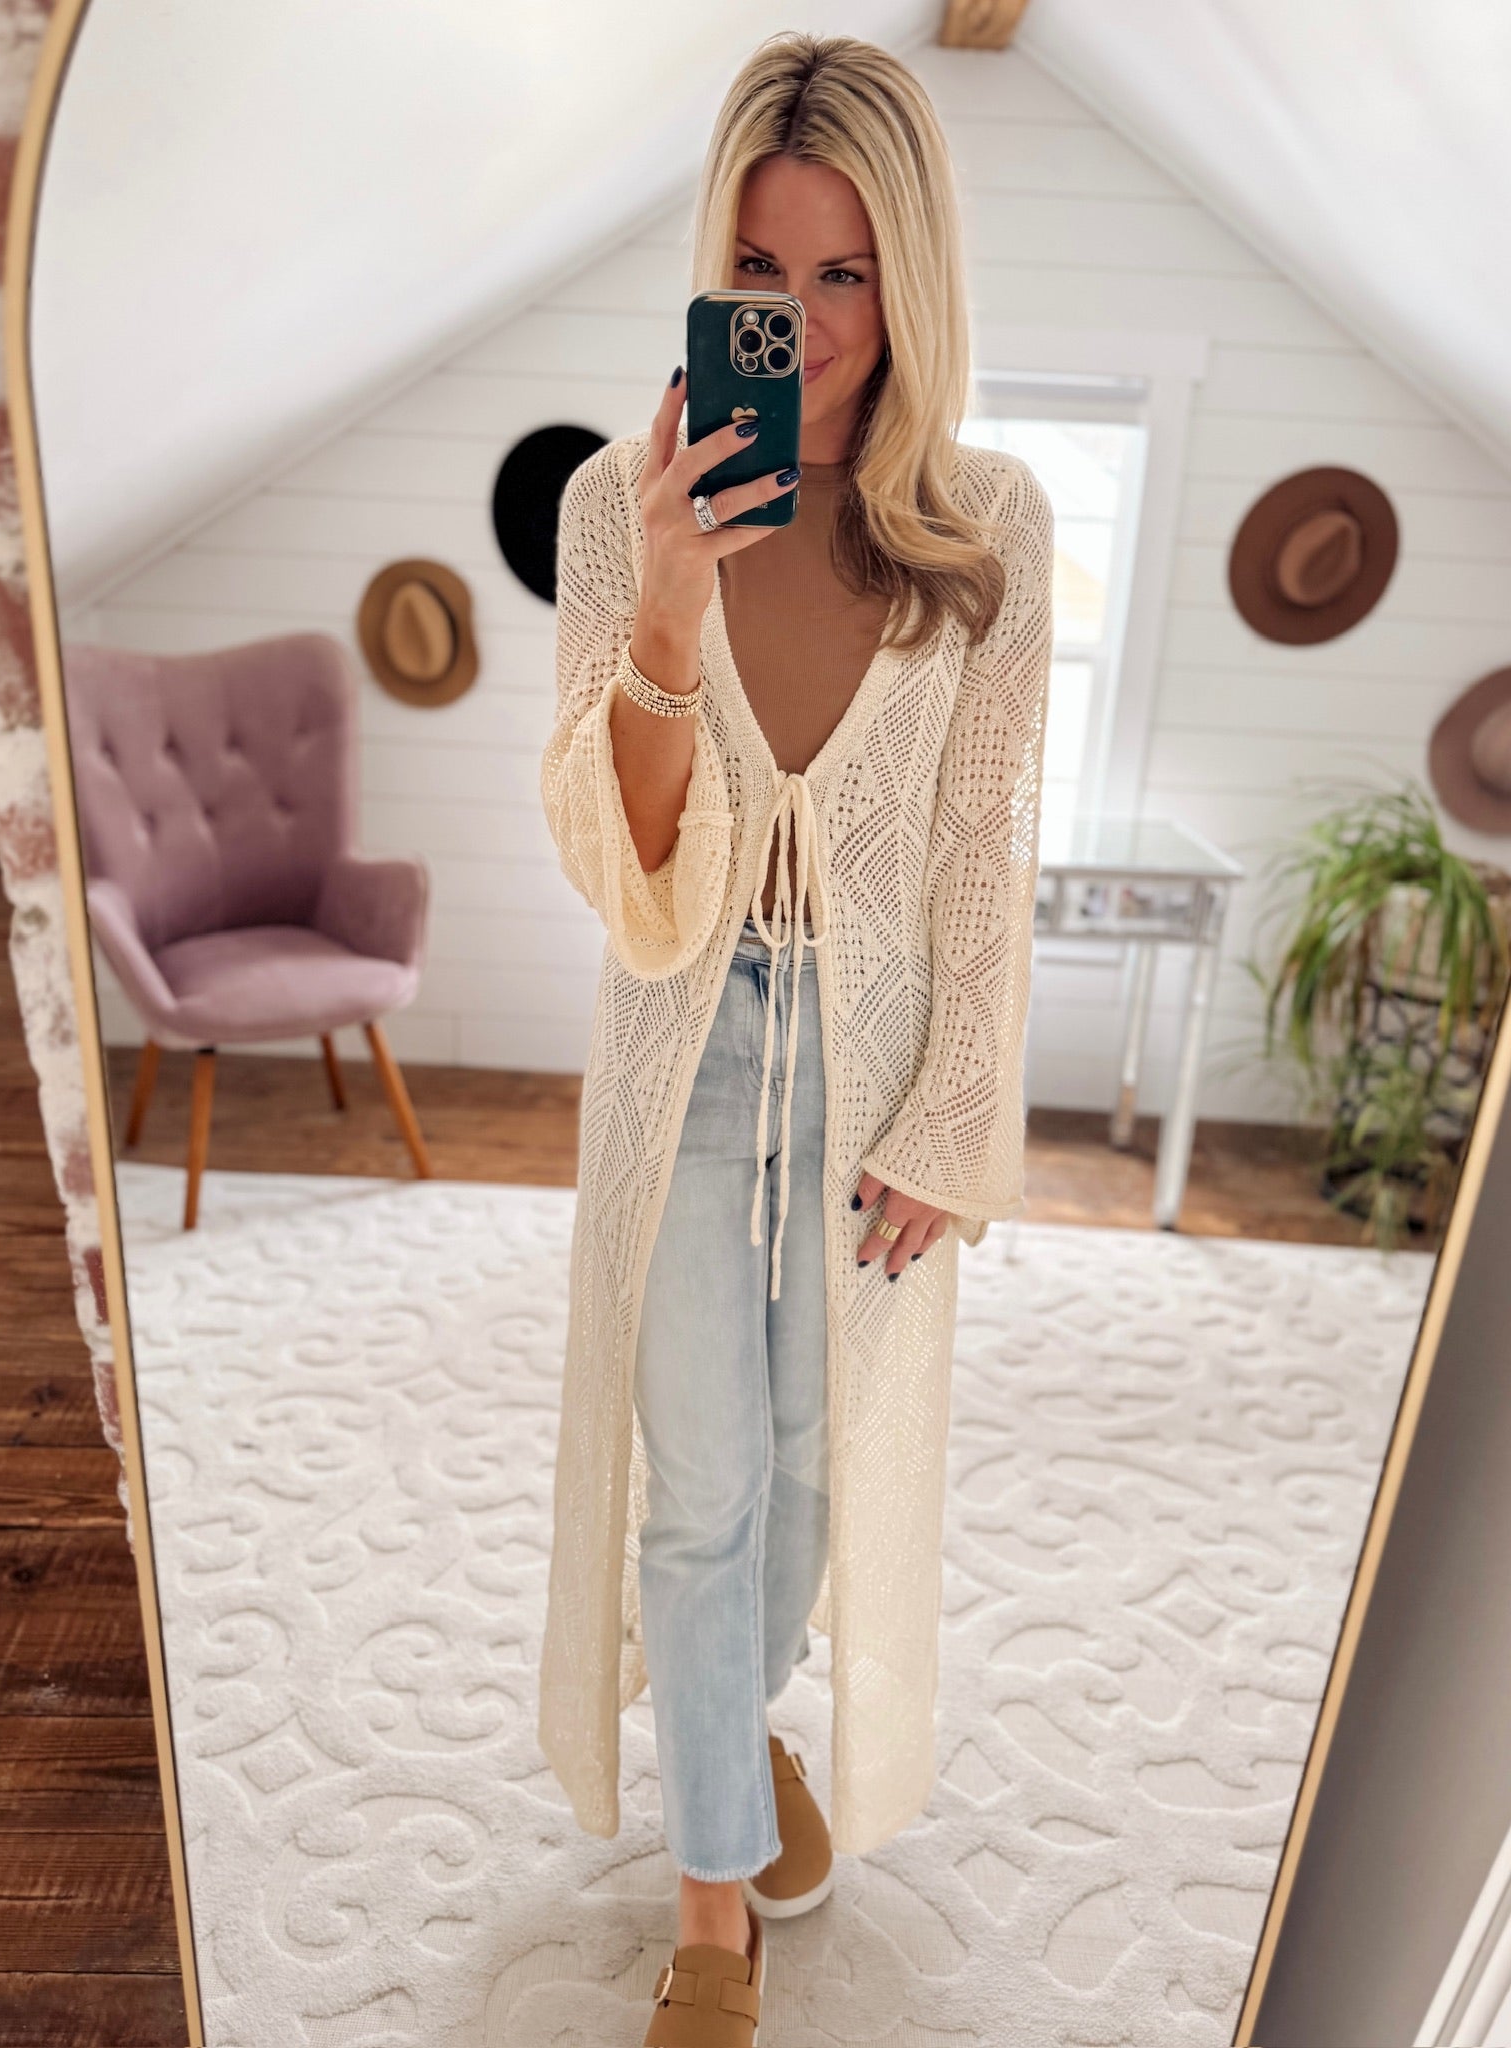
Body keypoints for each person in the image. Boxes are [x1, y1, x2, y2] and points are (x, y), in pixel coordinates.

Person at [538, 30, 1054, 2042]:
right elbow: (626, 875)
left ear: (909, 277)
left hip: (881, 1056)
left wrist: (960, 1109)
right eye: (761, 272)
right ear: (714, 269)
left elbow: (987, 844)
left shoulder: (988, 521)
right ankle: (711, 1918)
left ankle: (736, 1742)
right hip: (685, 1044)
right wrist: (670, 606)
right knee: (699, 1489)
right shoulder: (619, 506)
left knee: (813, 1480)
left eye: (846, 273)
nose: (806, 323)